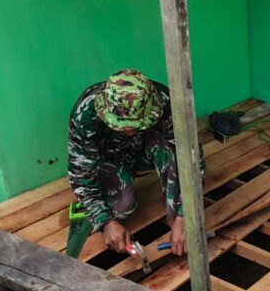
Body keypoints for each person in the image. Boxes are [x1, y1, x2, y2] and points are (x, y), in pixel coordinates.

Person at [68, 69, 204, 256]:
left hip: (143, 153)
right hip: (109, 161)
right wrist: (106, 222)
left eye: (138, 125)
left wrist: (185, 215)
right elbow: (81, 176)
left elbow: (193, 160)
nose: (130, 132)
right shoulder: (85, 114)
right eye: (122, 126)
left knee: (166, 148)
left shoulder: (165, 102)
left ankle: (174, 221)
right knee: (122, 207)